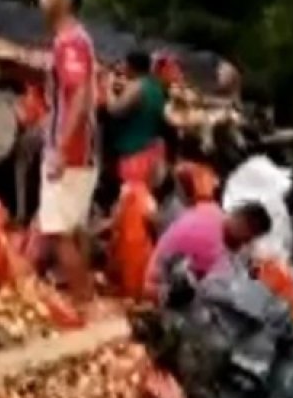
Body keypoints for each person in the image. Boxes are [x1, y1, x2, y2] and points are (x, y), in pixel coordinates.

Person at [36, 0, 100, 305]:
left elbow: (79, 96)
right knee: (73, 229)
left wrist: (60, 149)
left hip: (72, 152)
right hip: (80, 151)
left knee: (60, 234)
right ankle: (83, 298)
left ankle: (82, 303)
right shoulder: (76, 40)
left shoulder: (70, 43)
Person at [143, 200, 273, 299]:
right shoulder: (207, 233)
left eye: (254, 236)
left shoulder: (211, 210)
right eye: (250, 232)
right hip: (163, 291)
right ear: (241, 221)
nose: (249, 240)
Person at [105, 50, 168, 188]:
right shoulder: (155, 87)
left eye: (124, 64)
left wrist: (108, 87)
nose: (122, 67)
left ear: (132, 67)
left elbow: (114, 110)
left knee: (130, 195)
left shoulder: (137, 87)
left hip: (134, 152)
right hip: (150, 150)